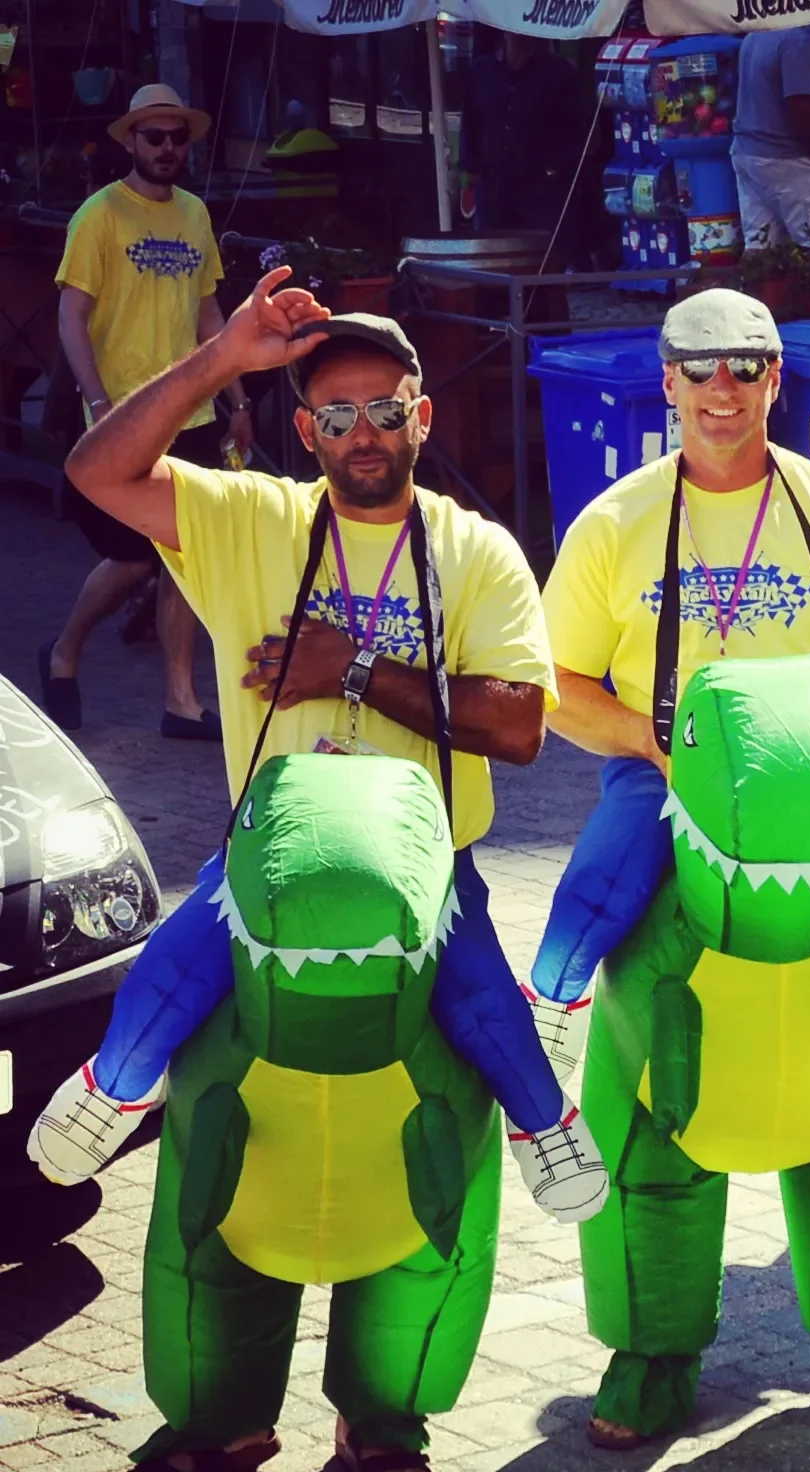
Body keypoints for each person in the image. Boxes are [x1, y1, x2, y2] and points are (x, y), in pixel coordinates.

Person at [29, 282, 609, 1239]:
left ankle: (544, 1122)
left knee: (483, 1004)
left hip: (429, 870)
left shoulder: (477, 549)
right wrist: (220, 360)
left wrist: (354, 669)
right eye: (337, 415)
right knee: (171, 972)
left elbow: (520, 731)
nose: (364, 433)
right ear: (306, 430)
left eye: (385, 410)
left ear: (420, 416)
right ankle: (114, 1085)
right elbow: (97, 472)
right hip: (268, 856)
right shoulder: (253, 519)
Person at [526, 287, 810, 1438]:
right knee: (642, 1066)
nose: (724, 390)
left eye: (748, 368)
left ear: (776, 379)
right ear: (665, 381)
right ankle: (648, 1342)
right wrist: (653, 745)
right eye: (700, 369)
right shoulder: (615, 523)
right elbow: (561, 692)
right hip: (663, 797)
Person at [40, 83, 249, 742]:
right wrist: (96, 399)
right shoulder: (99, 216)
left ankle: (181, 699)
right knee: (133, 559)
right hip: (120, 417)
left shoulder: (193, 215)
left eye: (176, 137)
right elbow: (71, 314)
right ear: (130, 141)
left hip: (189, 416)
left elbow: (208, 312)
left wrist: (236, 397)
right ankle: (63, 652)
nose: (165, 148)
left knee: (183, 554)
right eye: (153, 137)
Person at [463, 30, 585, 235]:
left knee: (538, 258)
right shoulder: (481, 70)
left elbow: (575, 128)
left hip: (539, 193)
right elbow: (470, 121)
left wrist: (555, 169)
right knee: (491, 255)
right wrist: (473, 169)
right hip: (493, 189)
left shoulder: (559, 73)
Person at [730, 25, 810, 249]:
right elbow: (800, 106)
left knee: (760, 245)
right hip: (788, 160)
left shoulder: (755, 36)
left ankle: (749, 285)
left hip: (749, 152)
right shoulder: (796, 41)